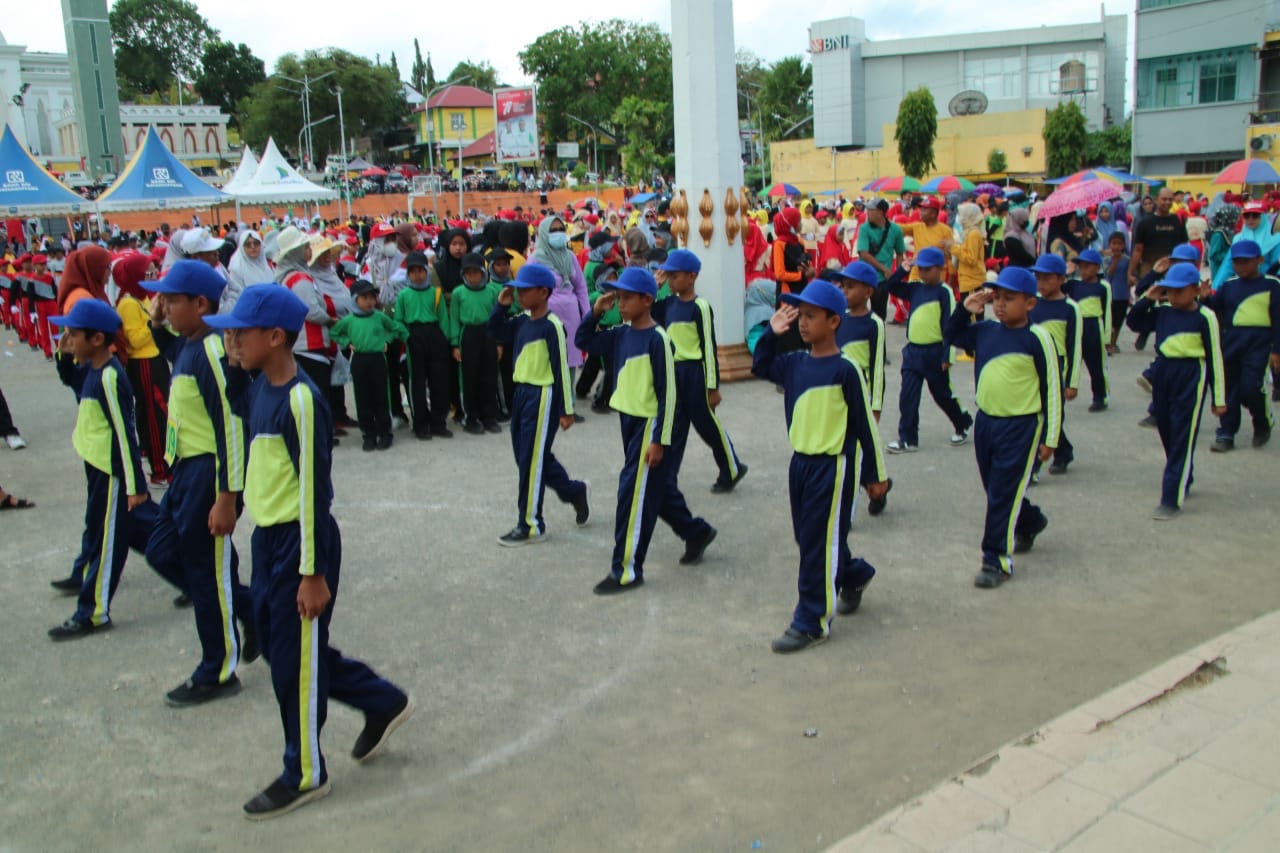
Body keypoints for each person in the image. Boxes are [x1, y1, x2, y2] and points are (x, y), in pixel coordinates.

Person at [208, 285, 413, 821]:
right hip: (269, 539)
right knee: (290, 653)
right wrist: (232, 364)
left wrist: (312, 572)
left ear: (275, 338)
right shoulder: (257, 387)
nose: (230, 341)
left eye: (239, 334)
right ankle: (381, 699)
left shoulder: (301, 400)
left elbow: (314, 493)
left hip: (301, 544)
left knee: (292, 665)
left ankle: (304, 771)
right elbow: (234, 406)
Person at [141, 260, 257, 704]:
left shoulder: (211, 349)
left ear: (201, 304)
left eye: (171, 300)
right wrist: (157, 325)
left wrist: (229, 495)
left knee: (206, 576)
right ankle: (249, 609)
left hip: (209, 472)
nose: (163, 306)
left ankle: (218, 669)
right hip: (185, 471)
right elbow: (169, 351)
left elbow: (231, 423)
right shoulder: (190, 344)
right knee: (162, 551)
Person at [750, 280, 888, 652]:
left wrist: (876, 476)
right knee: (811, 538)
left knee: (816, 542)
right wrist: (770, 332)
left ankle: (812, 620)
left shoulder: (846, 369)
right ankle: (855, 574)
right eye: (801, 316)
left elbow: (865, 427)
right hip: (800, 466)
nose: (803, 323)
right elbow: (760, 365)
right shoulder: (795, 364)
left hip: (832, 467)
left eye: (811, 316)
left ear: (834, 322)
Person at [576, 267, 717, 595]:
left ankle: (626, 570)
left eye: (626, 298)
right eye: (618, 298)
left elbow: (669, 396)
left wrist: (659, 440)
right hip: (627, 420)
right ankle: (696, 532)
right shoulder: (622, 334)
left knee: (632, 494)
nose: (620, 304)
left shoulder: (659, 340)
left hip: (649, 424)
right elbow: (584, 341)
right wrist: (595, 312)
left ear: (647, 300)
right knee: (656, 490)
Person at [946, 267, 1060, 588]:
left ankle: (996, 559)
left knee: (1002, 492)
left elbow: (1052, 387)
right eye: (997, 298)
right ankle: (1030, 521)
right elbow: (952, 337)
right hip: (986, 422)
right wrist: (963, 310)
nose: (1000, 305)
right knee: (996, 488)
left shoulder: (1038, 338)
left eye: (1009, 299)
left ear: (1030, 304)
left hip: (1021, 425)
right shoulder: (985, 331)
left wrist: (1050, 437)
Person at [47, 298, 148, 639]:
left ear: (98, 340)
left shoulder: (109, 377)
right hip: (96, 466)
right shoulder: (90, 369)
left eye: (73, 334)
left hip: (112, 471)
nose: (68, 339)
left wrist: (134, 485)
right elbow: (69, 379)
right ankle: (190, 571)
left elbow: (125, 433)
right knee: (106, 530)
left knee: (108, 541)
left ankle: (93, 612)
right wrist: (63, 353)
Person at [487, 263, 591, 545]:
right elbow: (494, 331)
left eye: (525, 290)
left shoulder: (552, 326)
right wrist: (501, 306)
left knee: (531, 460)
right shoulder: (521, 320)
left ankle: (531, 524)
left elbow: (562, 368)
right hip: (521, 394)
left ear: (543, 292)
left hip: (542, 395)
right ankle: (573, 491)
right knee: (530, 457)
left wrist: (566, 409)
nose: (519, 295)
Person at [1126, 264, 1226, 519]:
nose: (1173, 296)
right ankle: (1184, 472)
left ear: (1194, 290)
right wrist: (1149, 297)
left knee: (1183, 432)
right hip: (1164, 372)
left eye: (1179, 291)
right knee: (1167, 429)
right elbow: (1134, 322)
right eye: (1169, 291)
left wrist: (1219, 397)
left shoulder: (1205, 316)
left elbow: (1215, 356)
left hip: (1191, 374)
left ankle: (1170, 498)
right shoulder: (1163, 312)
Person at [651, 249, 748, 493]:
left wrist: (712, 387)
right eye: (668, 276)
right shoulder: (668, 305)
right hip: (675, 372)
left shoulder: (700, 306)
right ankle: (668, 479)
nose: (670, 280)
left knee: (707, 425)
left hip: (694, 372)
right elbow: (646, 312)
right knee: (674, 427)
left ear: (691, 277)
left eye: (675, 276)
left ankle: (732, 467)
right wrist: (654, 287)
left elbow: (708, 347)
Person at [880, 247, 973, 452]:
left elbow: (949, 324)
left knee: (942, 394)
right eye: (920, 269)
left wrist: (947, 354)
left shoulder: (944, 292)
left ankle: (962, 422)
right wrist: (902, 270)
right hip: (913, 352)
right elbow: (891, 287)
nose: (923, 273)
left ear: (940, 268)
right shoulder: (916, 289)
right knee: (908, 395)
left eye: (927, 269)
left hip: (934, 352)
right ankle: (908, 438)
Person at [1202, 240, 1280, 452]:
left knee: (1251, 387)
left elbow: (1278, 319)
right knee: (1229, 391)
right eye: (1237, 262)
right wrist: (1204, 297)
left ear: (1260, 260)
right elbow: (1213, 308)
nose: (1242, 266)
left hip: (1259, 346)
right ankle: (1226, 432)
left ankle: (1262, 421)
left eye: (1247, 261)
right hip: (1231, 345)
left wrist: (1276, 350)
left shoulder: (1272, 285)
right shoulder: (1229, 286)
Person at [274, 228, 339, 446]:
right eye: (307, 247)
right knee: (318, 394)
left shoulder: (288, 276)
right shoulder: (300, 278)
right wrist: (330, 320)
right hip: (309, 344)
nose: (310, 251)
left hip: (300, 344)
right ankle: (321, 436)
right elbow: (311, 311)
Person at [112, 253, 171, 485]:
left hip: (155, 358)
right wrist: (152, 323)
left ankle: (157, 457)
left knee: (157, 413)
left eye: (153, 271)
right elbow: (134, 340)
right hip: (143, 362)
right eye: (147, 273)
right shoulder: (128, 303)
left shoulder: (144, 297)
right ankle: (160, 470)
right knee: (157, 416)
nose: (153, 276)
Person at [329, 279, 408, 451]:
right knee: (363, 398)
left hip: (378, 360)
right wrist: (347, 342)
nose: (370, 302)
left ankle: (385, 434)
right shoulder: (349, 320)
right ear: (355, 300)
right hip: (359, 361)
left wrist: (387, 340)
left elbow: (396, 329)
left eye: (372, 297)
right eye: (364, 298)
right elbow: (334, 332)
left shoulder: (379, 317)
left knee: (381, 397)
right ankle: (368, 434)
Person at [531, 216, 592, 415]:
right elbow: (529, 290)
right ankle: (548, 405)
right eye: (553, 229)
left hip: (571, 315)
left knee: (570, 360)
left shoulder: (570, 256)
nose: (558, 233)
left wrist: (588, 316)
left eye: (560, 228)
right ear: (544, 232)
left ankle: (568, 406)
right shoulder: (536, 259)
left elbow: (581, 287)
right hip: (547, 316)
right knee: (549, 360)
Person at [1028, 254, 1082, 476]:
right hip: (1035, 366)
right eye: (1038, 278)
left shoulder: (1070, 308)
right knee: (1039, 414)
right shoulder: (1033, 304)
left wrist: (1072, 382)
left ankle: (1035, 467)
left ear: (1061, 279)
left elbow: (1074, 346)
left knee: (1051, 415)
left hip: (1058, 367)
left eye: (1046, 279)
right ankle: (1064, 450)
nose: (1041, 284)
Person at [395, 251, 453, 440]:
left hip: (434, 334)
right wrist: (406, 337)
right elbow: (399, 320)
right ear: (408, 274)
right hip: (414, 336)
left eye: (421, 270)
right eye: (413, 271)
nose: (417, 275)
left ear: (427, 272)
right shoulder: (404, 295)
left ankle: (439, 422)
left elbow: (443, 317)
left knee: (439, 381)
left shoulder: (435, 293)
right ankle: (420, 424)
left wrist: (445, 340)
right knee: (417, 382)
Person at [1065, 249, 1113, 412]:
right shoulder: (1074, 284)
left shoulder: (1103, 286)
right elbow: (1058, 287)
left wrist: (1107, 339)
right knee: (1071, 362)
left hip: (1094, 326)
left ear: (1097, 267)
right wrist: (1067, 273)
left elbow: (1107, 312)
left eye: (1087, 266)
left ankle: (1100, 397)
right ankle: (1065, 391)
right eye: (1081, 267)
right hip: (1077, 325)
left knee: (1096, 365)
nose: (1083, 270)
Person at [856, 200, 907, 321]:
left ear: (880, 213)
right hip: (864, 277)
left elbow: (900, 252)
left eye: (870, 210)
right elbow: (864, 253)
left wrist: (898, 273)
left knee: (879, 316)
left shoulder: (895, 230)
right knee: (858, 312)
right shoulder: (864, 228)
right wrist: (884, 268)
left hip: (882, 280)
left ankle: (879, 338)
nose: (867, 213)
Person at [1130, 188, 1189, 291]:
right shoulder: (1145, 223)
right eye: (1164, 199)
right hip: (1149, 270)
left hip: (1172, 270)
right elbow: (1138, 249)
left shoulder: (1178, 220)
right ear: (1156, 200)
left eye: (1170, 200)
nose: (1167, 202)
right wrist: (1130, 272)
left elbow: (1184, 247)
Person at [223, 229, 272, 313]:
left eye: (256, 243)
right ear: (242, 247)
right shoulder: (237, 269)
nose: (253, 247)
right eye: (248, 244)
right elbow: (239, 297)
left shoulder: (266, 266)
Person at [1104, 232, 1131, 354]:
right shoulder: (1107, 260)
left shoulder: (1127, 260)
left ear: (1123, 245)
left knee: (1119, 321)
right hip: (1110, 294)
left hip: (1123, 294)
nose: (1116, 247)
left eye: (1119, 244)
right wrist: (1114, 261)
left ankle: (1114, 342)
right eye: (1114, 243)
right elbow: (1108, 274)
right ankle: (1109, 343)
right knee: (1110, 320)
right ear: (1109, 244)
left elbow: (1130, 275)